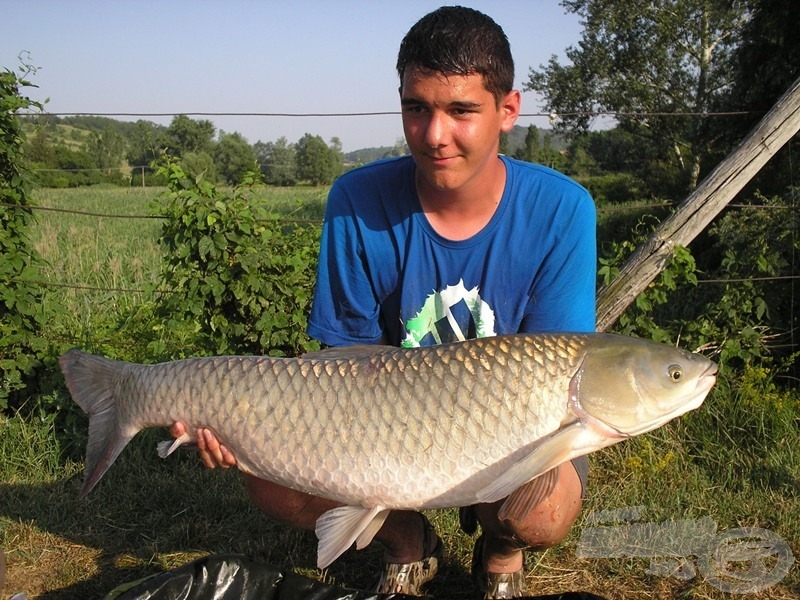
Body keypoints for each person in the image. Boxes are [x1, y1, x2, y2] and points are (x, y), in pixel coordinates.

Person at [172, 6, 596, 598]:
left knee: (542, 511)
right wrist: (244, 429)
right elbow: (340, 360)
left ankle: (500, 549)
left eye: (462, 110)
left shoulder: (563, 210)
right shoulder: (356, 199)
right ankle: (407, 540)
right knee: (266, 476)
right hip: (382, 421)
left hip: (510, 430)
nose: (434, 134)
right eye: (416, 107)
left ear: (507, 111)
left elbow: (559, 368)